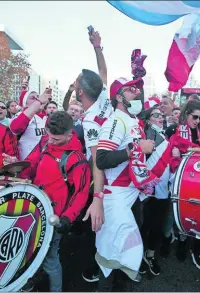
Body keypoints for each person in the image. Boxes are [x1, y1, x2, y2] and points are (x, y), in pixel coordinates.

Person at [4, 111, 91, 292]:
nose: (51, 141)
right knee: (25, 252)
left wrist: (67, 218)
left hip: (54, 217)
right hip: (32, 211)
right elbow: (31, 163)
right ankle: (26, 283)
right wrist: (17, 164)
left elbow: (81, 194)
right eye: (49, 136)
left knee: (50, 261)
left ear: (69, 134)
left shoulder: (77, 158)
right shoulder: (44, 141)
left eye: (56, 139)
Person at [95, 77, 156, 291]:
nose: (137, 92)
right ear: (119, 98)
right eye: (131, 90)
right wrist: (135, 149)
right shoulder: (115, 121)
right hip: (117, 195)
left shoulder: (133, 121)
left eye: (138, 89)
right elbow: (101, 159)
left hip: (133, 194)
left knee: (124, 244)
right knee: (112, 248)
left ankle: (121, 284)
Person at [73, 29, 110, 283]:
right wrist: (98, 47)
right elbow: (103, 76)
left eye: (76, 83)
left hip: (101, 180)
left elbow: (97, 161)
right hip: (115, 178)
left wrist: (96, 196)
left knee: (94, 225)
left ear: (80, 93)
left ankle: (94, 268)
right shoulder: (103, 100)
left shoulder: (91, 121)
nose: (74, 85)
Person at [166, 100, 200, 269]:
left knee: (195, 209)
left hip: (199, 179)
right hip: (179, 177)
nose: (198, 121)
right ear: (186, 115)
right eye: (195, 117)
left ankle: (191, 242)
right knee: (179, 209)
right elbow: (168, 154)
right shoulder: (174, 130)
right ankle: (179, 239)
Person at [139, 106, 173, 276]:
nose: (161, 117)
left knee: (157, 225)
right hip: (147, 190)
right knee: (144, 225)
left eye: (162, 115)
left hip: (162, 190)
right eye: (156, 115)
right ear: (147, 120)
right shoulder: (146, 135)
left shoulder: (165, 135)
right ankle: (137, 256)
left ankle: (150, 254)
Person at [10, 88, 49, 161]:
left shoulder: (48, 117)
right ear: (26, 103)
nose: (37, 99)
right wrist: (38, 102)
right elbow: (15, 128)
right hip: (27, 163)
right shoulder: (20, 115)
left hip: (44, 162)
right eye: (33, 98)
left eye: (38, 97)